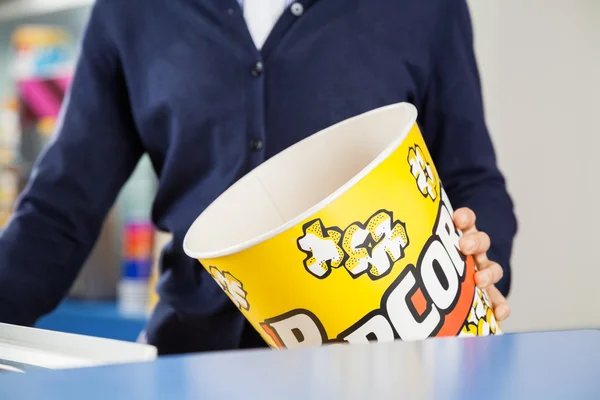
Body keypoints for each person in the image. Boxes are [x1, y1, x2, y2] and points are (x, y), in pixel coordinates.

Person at [0, 0, 516, 354]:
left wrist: (481, 259)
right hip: (191, 360)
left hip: (378, 360)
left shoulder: (425, 8)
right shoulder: (130, 11)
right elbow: (58, 210)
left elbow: (472, 180)